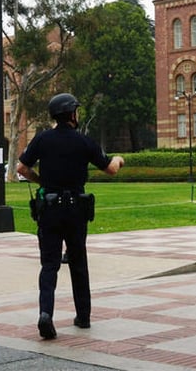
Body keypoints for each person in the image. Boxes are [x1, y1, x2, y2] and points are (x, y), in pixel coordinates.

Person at [17, 92, 124, 340]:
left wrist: (42, 181)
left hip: (50, 210)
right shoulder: (83, 142)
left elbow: (22, 168)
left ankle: (46, 313)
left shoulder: (42, 139)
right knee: (78, 263)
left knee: (49, 264)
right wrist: (119, 159)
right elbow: (110, 169)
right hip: (76, 211)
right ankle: (83, 317)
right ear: (72, 114)